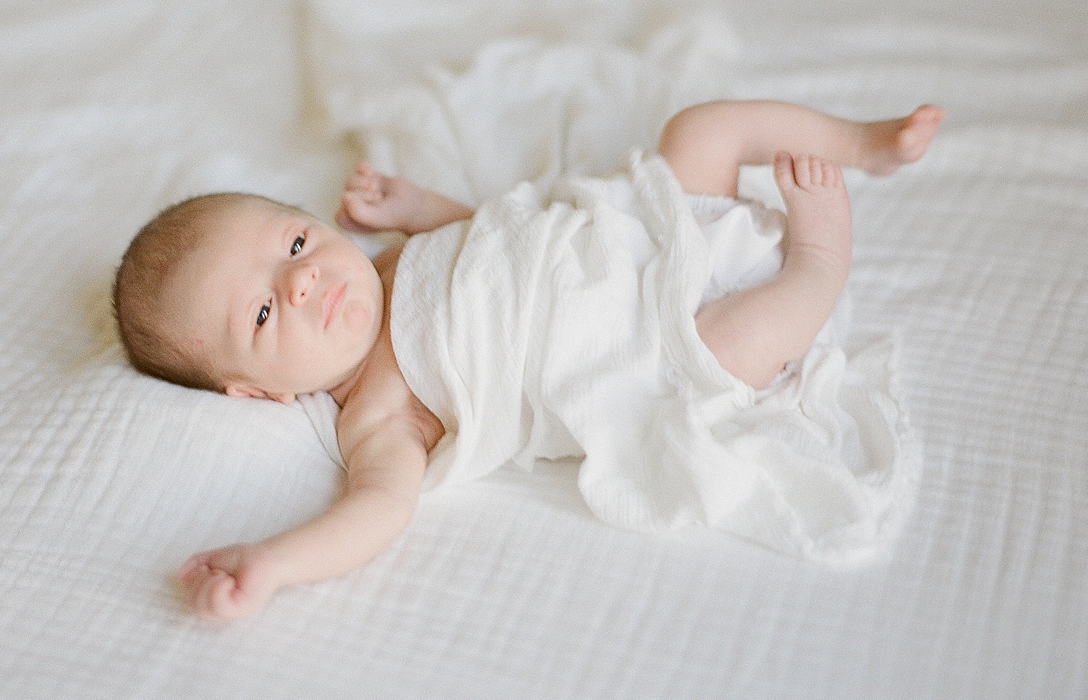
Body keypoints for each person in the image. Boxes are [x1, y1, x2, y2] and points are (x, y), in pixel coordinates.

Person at [112, 99, 943, 621]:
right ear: (256, 394)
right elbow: (377, 514)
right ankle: (818, 265)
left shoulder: (391, 261)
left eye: (293, 241)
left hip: (646, 238)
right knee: (734, 349)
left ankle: (865, 143)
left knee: (701, 130)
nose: (304, 282)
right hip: (660, 341)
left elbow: (492, 245)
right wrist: (275, 563)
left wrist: (416, 209)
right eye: (262, 311)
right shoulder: (379, 414)